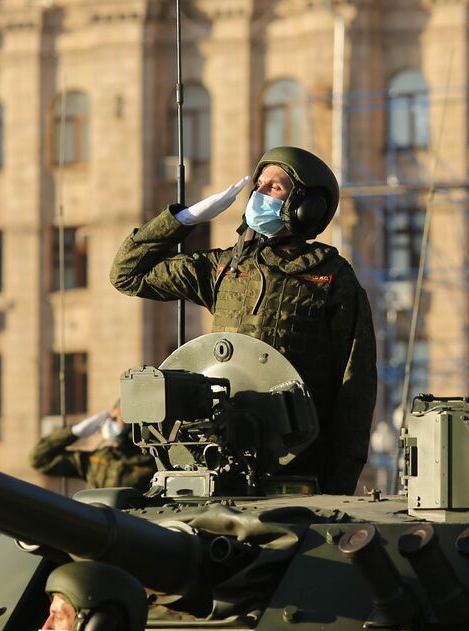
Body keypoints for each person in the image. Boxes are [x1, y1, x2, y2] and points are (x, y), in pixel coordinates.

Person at [110, 146, 376, 495]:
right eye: (259, 186)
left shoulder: (331, 278)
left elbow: (354, 386)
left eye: (273, 187)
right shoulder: (225, 268)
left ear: (305, 206)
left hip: (297, 463)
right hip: (222, 458)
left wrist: (339, 485)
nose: (259, 194)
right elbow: (127, 274)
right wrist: (183, 220)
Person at [29, 404, 156, 491]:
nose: (113, 421)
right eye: (112, 417)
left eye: (119, 418)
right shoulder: (96, 459)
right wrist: (74, 432)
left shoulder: (152, 459)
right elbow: (39, 460)